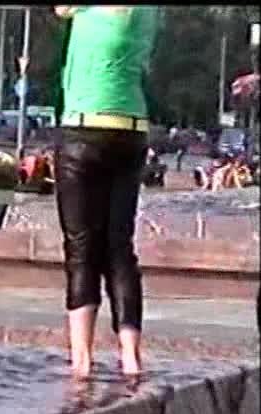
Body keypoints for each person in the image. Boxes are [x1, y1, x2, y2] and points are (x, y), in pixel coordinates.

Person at [53, 6, 159, 377]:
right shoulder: (148, 13)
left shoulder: (85, 9)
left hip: (84, 128)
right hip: (131, 131)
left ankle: (82, 360)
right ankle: (131, 358)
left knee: (81, 248)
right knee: (119, 249)